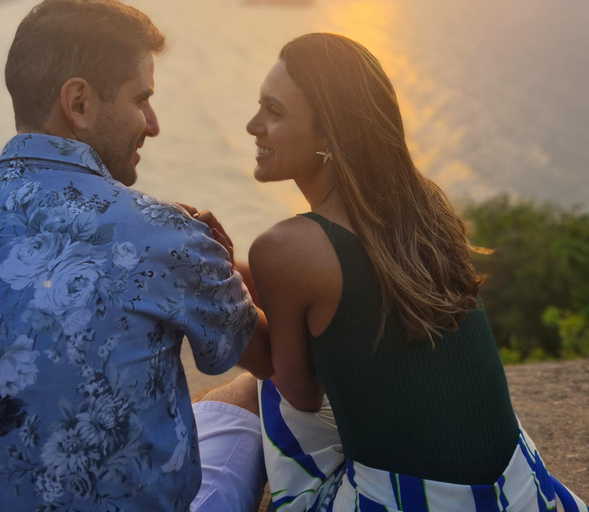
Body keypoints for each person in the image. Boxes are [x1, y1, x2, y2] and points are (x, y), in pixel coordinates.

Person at [0, 1, 270, 511]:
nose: (153, 124)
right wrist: (219, 260)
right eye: (141, 99)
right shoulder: (164, 235)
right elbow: (268, 359)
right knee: (246, 398)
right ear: (78, 102)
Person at [241, 33, 588, 511]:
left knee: (258, 385)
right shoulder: (425, 207)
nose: (251, 125)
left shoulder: (284, 247)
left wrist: (220, 297)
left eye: (273, 111)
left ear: (331, 135)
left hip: (408, 503)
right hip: (518, 490)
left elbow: (298, 394)